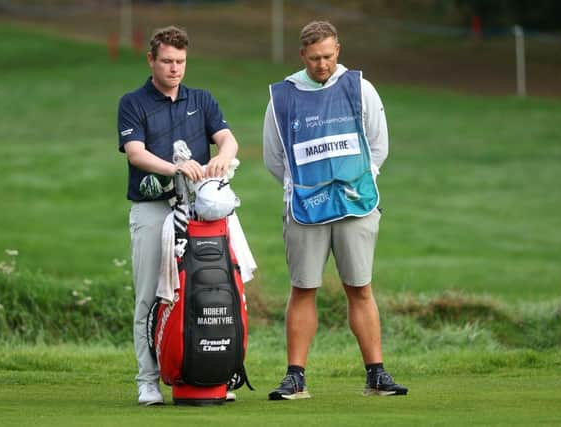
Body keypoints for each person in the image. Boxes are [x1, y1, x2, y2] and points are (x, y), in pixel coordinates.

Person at [263, 20, 407, 400]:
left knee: (360, 287)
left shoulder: (360, 87)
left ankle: (376, 375)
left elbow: (378, 146)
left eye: (327, 56)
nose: (321, 64)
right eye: (314, 58)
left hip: (356, 205)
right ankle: (296, 378)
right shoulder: (283, 95)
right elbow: (274, 159)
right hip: (305, 208)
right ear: (302, 56)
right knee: (303, 288)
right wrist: (306, 188)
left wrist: (357, 182)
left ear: (338, 50)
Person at [117, 26, 239, 405]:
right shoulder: (133, 102)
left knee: (211, 288)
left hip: (199, 212)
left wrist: (220, 156)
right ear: (151, 60)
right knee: (151, 295)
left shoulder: (201, 100)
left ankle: (213, 374)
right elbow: (136, 153)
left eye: (181, 62)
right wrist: (178, 168)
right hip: (153, 209)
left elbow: (228, 138)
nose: (175, 69)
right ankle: (148, 380)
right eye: (167, 61)